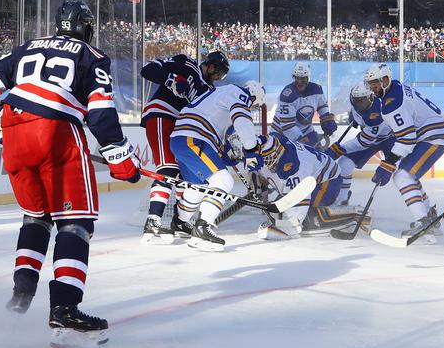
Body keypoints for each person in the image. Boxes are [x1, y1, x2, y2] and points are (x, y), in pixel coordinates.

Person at [0, 0, 140, 345]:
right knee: (76, 222)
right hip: (56, 133)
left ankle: (21, 295)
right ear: (87, 27)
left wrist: (1, 121)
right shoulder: (92, 55)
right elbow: (101, 113)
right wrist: (122, 160)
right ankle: (65, 310)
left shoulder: (26, 48)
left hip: (16, 132)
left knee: (36, 216)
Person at [139, 51, 229, 244]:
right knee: (168, 169)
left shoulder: (208, 91)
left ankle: (180, 222)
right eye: (218, 73)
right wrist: (170, 79)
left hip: (181, 129)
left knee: (185, 176)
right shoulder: (186, 63)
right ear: (212, 66)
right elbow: (148, 69)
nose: (218, 79)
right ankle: (152, 221)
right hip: (162, 114)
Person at [170, 80, 266, 252]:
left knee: (199, 186)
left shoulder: (220, 93)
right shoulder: (240, 93)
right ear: (253, 95)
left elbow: (216, 127)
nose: (250, 108)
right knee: (224, 181)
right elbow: (242, 120)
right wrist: (251, 149)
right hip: (194, 138)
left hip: (181, 138)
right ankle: (202, 228)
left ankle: (180, 221)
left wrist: (225, 153)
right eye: (253, 105)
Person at [364, 63, 444, 241]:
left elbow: (407, 140)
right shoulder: (396, 87)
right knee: (407, 175)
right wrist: (390, 162)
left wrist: (387, 163)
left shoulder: (392, 104)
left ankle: (422, 222)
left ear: (385, 80)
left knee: (402, 176)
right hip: (433, 133)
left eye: (375, 82)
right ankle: (429, 217)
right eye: (370, 83)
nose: (373, 87)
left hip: (432, 137)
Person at [247, 134, 356, 240]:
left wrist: (288, 226)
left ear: (277, 153)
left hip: (327, 183)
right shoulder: (274, 147)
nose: (265, 163)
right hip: (313, 176)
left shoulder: (296, 168)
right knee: (277, 213)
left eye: (267, 159)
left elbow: (299, 204)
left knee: (308, 217)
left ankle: (353, 213)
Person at [326, 82, 395, 206]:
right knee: (344, 164)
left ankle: (422, 206)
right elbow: (356, 112)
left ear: (371, 97)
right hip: (370, 138)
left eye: (363, 100)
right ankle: (342, 199)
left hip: (389, 139)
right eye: (357, 100)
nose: (360, 104)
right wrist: (355, 118)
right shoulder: (356, 105)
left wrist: (339, 149)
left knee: (402, 174)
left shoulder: (376, 112)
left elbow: (364, 142)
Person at [271, 62, 337, 148]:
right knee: (288, 160)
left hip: (306, 130)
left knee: (318, 156)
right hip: (281, 134)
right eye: (297, 78)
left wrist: (327, 120)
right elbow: (287, 126)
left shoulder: (317, 89)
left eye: (303, 79)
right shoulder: (287, 94)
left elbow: (322, 107)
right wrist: (304, 141)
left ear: (308, 78)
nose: (299, 82)